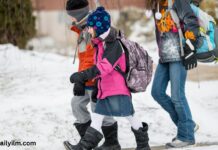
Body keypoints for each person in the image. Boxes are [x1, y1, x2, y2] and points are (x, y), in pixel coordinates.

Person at [69, 6, 151, 150]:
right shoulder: (101, 43)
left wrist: (82, 76)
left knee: (130, 116)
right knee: (99, 117)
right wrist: (96, 86)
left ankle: (143, 146)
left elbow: (104, 67)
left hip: (117, 89)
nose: (88, 30)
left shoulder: (114, 45)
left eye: (90, 27)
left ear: (98, 28)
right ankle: (86, 146)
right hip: (106, 89)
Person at [64, 1, 120, 150]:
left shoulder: (95, 28)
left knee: (100, 110)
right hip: (86, 77)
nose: (72, 19)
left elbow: (99, 58)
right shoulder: (81, 30)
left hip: (98, 78)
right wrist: (80, 79)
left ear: (78, 14)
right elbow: (85, 59)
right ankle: (87, 141)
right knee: (76, 104)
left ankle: (112, 143)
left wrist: (91, 79)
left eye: (72, 15)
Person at [145, 0, 201, 148]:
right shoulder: (156, 4)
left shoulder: (177, 1)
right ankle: (188, 125)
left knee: (177, 96)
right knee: (157, 92)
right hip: (165, 56)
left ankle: (187, 136)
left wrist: (191, 46)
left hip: (180, 54)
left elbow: (191, 21)